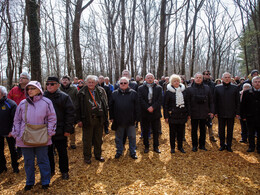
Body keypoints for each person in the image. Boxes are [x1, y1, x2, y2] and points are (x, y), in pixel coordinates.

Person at [10, 81, 56, 191]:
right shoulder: (22, 104)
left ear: (39, 89)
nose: (30, 91)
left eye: (32, 88)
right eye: (28, 89)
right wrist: (17, 134)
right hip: (25, 137)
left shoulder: (47, 102)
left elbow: (52, 118)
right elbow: (17, 120)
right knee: (28, 162)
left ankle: (45, 181)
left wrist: (50, 133)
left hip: (42, 137)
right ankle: (30, 182)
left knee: (43, 160)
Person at [44, 77, 75, 180]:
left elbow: (70, 114)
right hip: (45, 131)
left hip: (60, 130)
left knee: (62, 152)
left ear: (57, 85)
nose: (49, 86)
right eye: (47, 84)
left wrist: (68, 129)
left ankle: (64, 171)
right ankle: (50, 170)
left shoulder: (64, 97)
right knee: (48, 153)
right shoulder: (42, 97)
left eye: (52, 84)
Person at [76, 75, 108, 164]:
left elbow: (105, 104)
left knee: (98, 139)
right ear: (86, 83)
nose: (91, 84)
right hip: (87, 119)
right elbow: (77, 107)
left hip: (99, 119)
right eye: (89, 82)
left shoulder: (101, 91)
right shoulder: (81, 92)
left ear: (96, 83)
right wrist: (78, 120)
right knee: (87, 139)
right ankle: (87, 156)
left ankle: (98, 155)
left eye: (93, 82)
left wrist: (105, 117)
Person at [109, 77, 139, 159]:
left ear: (128, 84)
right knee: (119, 137)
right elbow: (111, 106)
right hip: (118, 120)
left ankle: (132, 152)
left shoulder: (134, 93)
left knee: (132, 137)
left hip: (131, 119)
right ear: (119, 84)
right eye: (121, 83)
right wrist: (111, 117)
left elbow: (137, 107)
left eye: (125, 83)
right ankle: (119, 151)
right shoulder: (114, 93)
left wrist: (137, 118)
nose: (123, 84)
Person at [187, 72, 214, 152]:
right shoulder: (189, 89)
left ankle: (202, 145)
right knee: (194, 130)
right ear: (194, 79)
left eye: (200, 78)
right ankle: (194, 145)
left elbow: (211, 101)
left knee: (203, 130)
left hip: (204, 112)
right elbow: (187, 102)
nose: (198, 79)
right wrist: (188, 113)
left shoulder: (207, 88)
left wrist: (211, 111)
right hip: (194, 113)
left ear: (202, 79)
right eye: (197, 78)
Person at [214, 72, 240, 152]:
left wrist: (237, 112)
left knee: (230, 130)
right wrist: (215, 112)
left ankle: (229, 145)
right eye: (225, 77)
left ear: (231, 78)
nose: (227, 78)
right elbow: (215, 101)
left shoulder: (235, 88)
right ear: (222, 78)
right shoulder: (217, 88)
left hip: (231, 112)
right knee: (221, 130)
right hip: (221, 112)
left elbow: (237, 101)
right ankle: (222, 145)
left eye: (228, 77)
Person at [8, 72, 30, 158]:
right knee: (17, 133)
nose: (21, 79)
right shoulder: (14, 90)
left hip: (28, 116)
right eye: (20, 77)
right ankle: (19, 150)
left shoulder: (30, 89)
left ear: (28, 80)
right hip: (15, 116)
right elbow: (8, 101)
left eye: (23, 77)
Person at [164, 74, 188, 153]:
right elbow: (165, 105)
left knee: (181, 132)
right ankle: (172, 147)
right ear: (171, 82)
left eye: (177, 81)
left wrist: (188, 114)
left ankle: (180, 147)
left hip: (182, 114)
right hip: (172, 115)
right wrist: (166, 116)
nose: (176, 82)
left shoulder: (184, 91)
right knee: (172, 132)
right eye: (174, 81)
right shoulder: (168, 92)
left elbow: (187, 103)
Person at [138, 73, 162, 153]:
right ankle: (146, 146)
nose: (150, 79)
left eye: (151, 78)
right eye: (148, 78)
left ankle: (156, 147)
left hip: (155, 112)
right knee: (145, 131)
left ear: (154, 79)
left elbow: (159, 99)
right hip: (145, 112)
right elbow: (140, 99)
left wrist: (153, 107)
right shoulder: (141, 88)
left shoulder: (158, 88)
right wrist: (147, 107)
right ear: (145, 79)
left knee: (156, 131)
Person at [0, 86, 19, 174]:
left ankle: (15, 166)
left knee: (12, 150)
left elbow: (15, 119)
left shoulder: (11, 104)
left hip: (9, 132)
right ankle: (2, 166)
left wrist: (12, 130)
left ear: (3, 94)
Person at [240, 76, 260, 154]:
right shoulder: (246, 93)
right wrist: (243, 116)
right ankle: (251, 147)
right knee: (250, 133)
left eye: (259, 82)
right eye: (256, 82)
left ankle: (259, 148)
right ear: (252, 83)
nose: (257, 83)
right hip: (250, 117)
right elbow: (243, 106)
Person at [60, 75, 78, 149]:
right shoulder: (58, 89)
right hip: (61, 112)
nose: (65, 81)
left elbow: (77, 99)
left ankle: (72, 142)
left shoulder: (74, 89)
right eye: (63, 80)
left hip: (71, 112)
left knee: (72, 127)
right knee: (62, 127)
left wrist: (75, 110)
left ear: (69, 81)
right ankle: (65, 142)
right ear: (61, 81)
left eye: (66, 80)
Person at [203, 70, 217, 142]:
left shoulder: (212, 84)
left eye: (209, 74)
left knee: (210, 122)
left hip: (210, 105)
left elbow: (215, 95)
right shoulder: (201, 83)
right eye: (206, 74)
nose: (208, 75)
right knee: (202, 123)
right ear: (203, 75)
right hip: (202, 105)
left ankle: (211, 136)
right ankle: (203, 136)